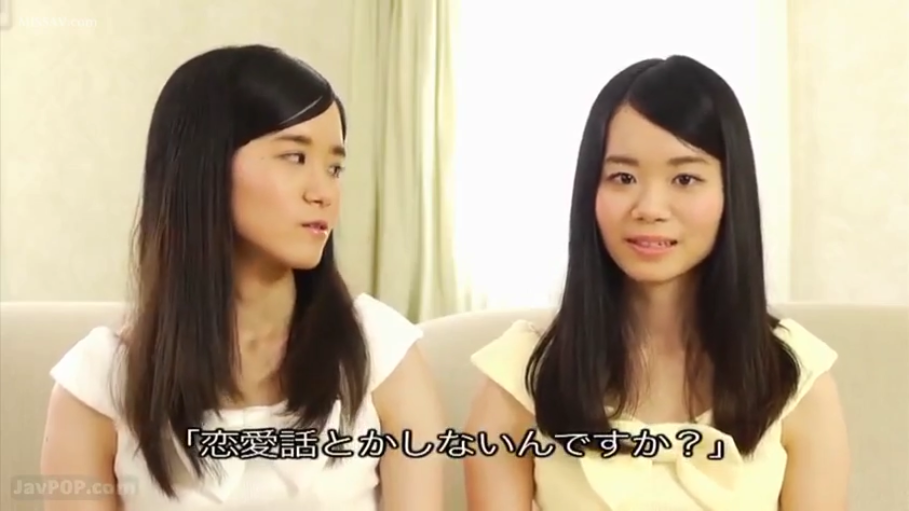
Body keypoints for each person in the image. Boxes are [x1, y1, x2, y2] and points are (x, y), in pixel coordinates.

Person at [40, 45, 445, 511]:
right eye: (295, 157)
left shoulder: (380, 353)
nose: (324, 192)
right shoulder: (98, 385)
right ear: (204, 167)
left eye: (334, 167)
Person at [464, 55, 850, 510]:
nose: (649, 207)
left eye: (685, 178)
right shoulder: (523, 376)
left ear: (731, 192)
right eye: (623, 177)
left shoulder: (795, 378)